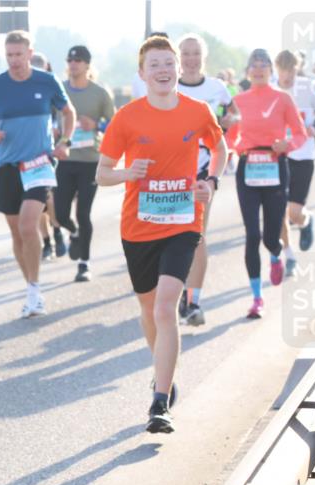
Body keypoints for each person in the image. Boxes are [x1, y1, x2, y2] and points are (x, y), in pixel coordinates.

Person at [97, 35, 226, 434]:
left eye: (168, 63)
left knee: (166, 306)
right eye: (155, 65)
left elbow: (221, 149)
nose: (164, 70)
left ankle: (159, 402)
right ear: (142, 74)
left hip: (184, 221)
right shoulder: (128, 117)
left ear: (178, 68)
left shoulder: (197, 110)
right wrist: (126, 174)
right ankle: (163, 372)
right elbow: (101, 174)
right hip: (138, 227)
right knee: (149, 310)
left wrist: (211, 181)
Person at [0, 30, 75, 318]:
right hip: (7, 167)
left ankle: (35, 290)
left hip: (39, 164)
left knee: (29, 226)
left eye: (19, 54)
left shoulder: (47, 81)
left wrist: (64, 142)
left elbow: (69, 113)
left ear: (30, 54)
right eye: (9, 55)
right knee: (17, 233)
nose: (14, 60)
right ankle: (31, 287)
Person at [230, 49, 308, 319]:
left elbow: (300, 133)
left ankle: (276, 255)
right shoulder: (238, 100)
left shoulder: (282, 98)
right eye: (254, 64)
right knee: (252, 235)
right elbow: (229, 137)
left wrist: (288, 144)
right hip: (248, 169)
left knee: (270, 237)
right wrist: (235, 144)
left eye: (264, 64)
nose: (259, 68)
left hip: (275, 166)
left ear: (270, 71)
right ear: (247, 71)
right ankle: (257, 298)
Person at [175, 33, 238, 326]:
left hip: (203, 171)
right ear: (178, 57)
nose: (190, 59)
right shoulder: (168, 86)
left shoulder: (216, 87)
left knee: (196, 236)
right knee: (171, 238)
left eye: (195, 53)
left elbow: (233, 111)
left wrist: (228, 121)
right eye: (185, 53)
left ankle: (193, 301)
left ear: (204, 57)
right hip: (170, 173)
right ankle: (175, 292)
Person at [56, 45, 115, 283]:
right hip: (65, 159)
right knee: (60, 214)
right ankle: (75, 233)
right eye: (70, 60)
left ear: (87, 65)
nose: (73, 64)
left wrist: (97, 125)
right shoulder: (58, 90)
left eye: (79, 60)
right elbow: (48, 115)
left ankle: (84, 264)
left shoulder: (99, 93)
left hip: (90, 160)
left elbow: (114, 124)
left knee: (83, 212)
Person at [275, 49, 315, 275]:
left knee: (294, 213)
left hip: (304, 155)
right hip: (279, 156)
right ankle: (289, 255)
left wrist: (314, 128)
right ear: (277, 69)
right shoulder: (272, 89)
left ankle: (306, 221)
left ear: (297, 68)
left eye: (291, 70)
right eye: (283, 70)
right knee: (277, 211)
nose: (287, 76)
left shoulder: (308, 87)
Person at [31, 53, 67, 262]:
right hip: (27, 155)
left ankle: (57, 231)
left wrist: (58, 132)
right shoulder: (19, 88)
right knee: (36, 203)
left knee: (49, 198)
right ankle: (46, 242)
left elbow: (64, 113)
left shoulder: (52, 87)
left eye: (40, 68)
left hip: (48, 151)